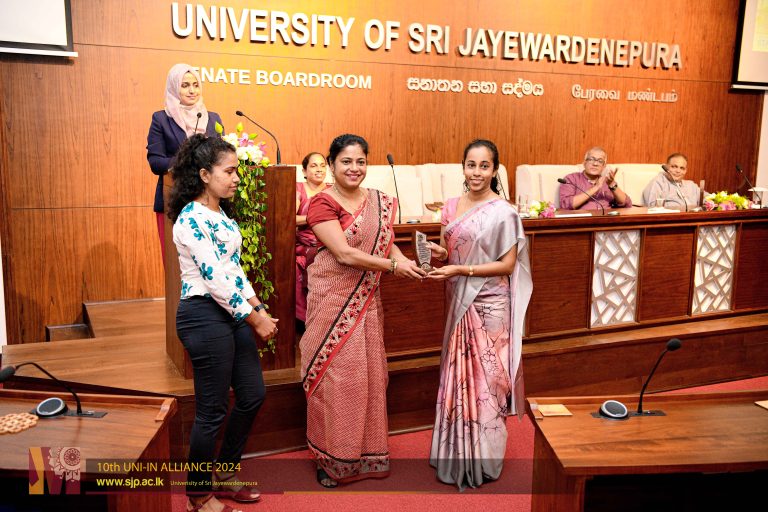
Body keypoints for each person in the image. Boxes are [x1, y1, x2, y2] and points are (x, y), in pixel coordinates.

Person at [300, 134, 426, 488]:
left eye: (360, 161)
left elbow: (387, 244)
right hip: (333, 302)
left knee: (368, 378)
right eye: (346, 162)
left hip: (366, 303)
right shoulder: (322, 203)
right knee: (335, 380)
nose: (354, 168)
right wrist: (393, 266)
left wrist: (405, 261)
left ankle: (366, 454)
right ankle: (328, 458)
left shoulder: (379, 201)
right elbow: (344, 254)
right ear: (332, 164)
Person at [168, 134, 278, 512]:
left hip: (230, 312)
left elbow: (233, 270)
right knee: (211, 412)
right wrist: (253, 319)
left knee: (252, 395)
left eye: (236, 171)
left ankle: (226, 472)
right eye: (229, 172)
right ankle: (198, 497)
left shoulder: (221, 215)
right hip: (202, 315)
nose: (236, 178)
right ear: (204, 174)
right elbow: (213, 277)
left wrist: (257, 306)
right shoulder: (191, 218)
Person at [425, 139, 532, 490]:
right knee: (457, 377)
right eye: (471, 165)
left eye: (484, 166)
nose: (476, 172)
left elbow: (507, 264)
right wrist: (438, 252)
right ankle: (455, 455)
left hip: (491, 306)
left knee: (489, 382)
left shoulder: (504, 212)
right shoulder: (450, 207)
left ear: (495, 170)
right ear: (463, 167)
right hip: (459, 300)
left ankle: (484, 459)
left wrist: (460, 270)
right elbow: (450, 252)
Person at [147, 63, 223, 260]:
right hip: (174, 200)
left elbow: (221, 158)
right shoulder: (161, 119)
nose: (192, 90)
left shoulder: (213, 118)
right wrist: (186, 160)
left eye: (196, 85)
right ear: (174, 87)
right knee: (177, 263)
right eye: (185, 85)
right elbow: (156, 162)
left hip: (210, 201)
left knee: (212, 260)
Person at [295, 152, 330, 330]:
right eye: (314, 166)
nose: (319, 170)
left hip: (328, 244)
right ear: (304, 171)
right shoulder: (298, 189)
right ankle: (303, 322)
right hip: (303, 246)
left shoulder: (333, 191)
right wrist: (315, 218)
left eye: (322, 166)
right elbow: (291, 218)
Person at [559, 147, 632, 210]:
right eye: (591, 159)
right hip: (583, 220)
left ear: (604, 166)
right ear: (584, 163)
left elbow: (627, 204)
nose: (595, 164)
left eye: (600, 161)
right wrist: (596, 187)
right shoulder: (571, 179)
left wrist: (612, 185)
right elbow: (565, 205)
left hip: (607, 219)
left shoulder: (607, 182)